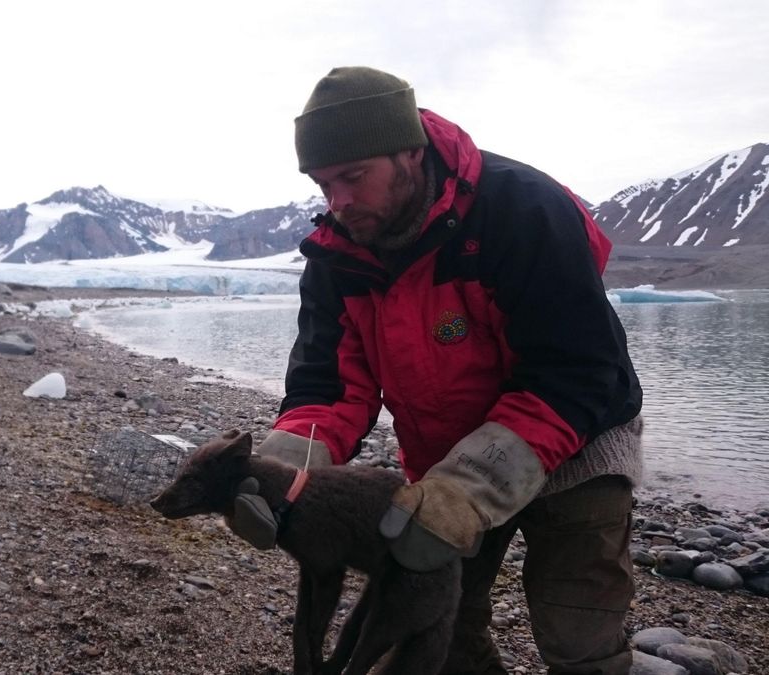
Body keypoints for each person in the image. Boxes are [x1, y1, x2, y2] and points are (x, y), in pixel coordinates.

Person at [230, 66, 644, 674]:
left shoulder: (523, 212)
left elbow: (574, 373)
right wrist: (279, 475)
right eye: (323, 184)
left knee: (579, 634)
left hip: (579, 443)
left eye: (353, 177)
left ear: (408, 152)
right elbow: (328, 386)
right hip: (443, 459)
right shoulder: (339, 254)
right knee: (434, 627)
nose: (339, 202)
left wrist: (465, 492)